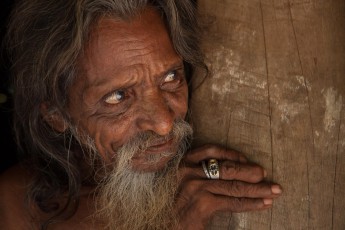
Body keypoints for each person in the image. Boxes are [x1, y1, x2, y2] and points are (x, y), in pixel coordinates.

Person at [0, 0, 282, 229]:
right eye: (118, 97)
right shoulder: (13, 207)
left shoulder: (196, 184)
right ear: (56, 115)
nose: (163, 123)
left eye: (171, 78)